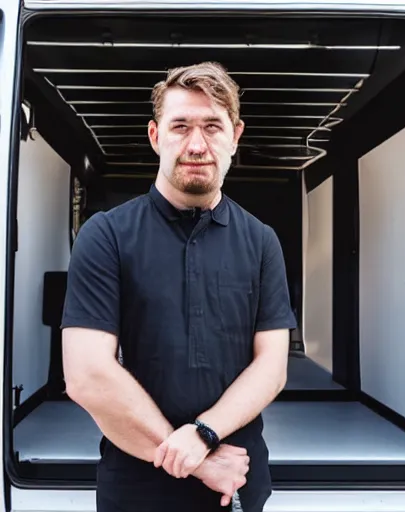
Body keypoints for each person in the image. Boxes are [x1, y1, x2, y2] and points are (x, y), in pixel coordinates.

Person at [60, 61, 297, 512]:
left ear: (235, 136)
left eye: (212, 126)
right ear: (155, 136)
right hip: (137, 484)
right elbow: (87, 374)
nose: (196, 144)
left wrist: (204, 433)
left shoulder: (261, 240)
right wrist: (197, 460)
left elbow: (272, 366)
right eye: (180, 126)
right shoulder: (106, 234)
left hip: (238, 481)